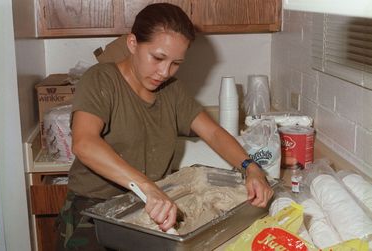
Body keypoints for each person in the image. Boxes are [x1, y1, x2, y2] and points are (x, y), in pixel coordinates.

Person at [56, 3, 273, 250]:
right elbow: (85, 143)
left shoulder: (172, 91)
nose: (164, 72)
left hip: (149, 209)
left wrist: (251, 167)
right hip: (93, 210)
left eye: (175, 63)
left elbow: (212, 132)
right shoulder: (101, 80)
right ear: (132, 43)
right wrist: (147, 187)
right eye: (158, 58)